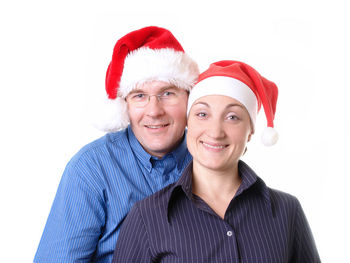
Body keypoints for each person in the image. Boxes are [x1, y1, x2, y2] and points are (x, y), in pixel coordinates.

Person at [112, 60, 320, 262]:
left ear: (250, 131)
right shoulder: (147, 217)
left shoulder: (287, 211)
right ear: (188, 123)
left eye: (232, 117)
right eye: (202, 114)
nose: (215, 132)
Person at [34, 26, 199, 263]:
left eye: (168, 93)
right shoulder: (91, 169)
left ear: (189, 98)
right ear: (125, 105)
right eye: (139, 96)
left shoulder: (209, 159)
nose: (154, 111)